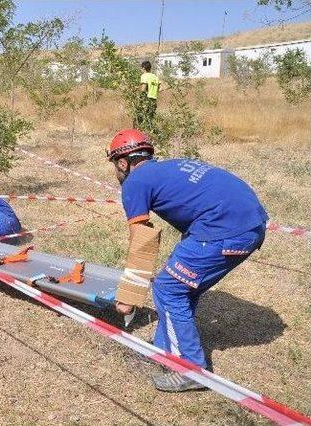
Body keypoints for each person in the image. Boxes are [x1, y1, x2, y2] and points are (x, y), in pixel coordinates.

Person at [106, 128, 268, 392]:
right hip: (252, 224)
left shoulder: (135, 182)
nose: (116, 171)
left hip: (221, 230)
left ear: (123, 162)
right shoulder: (172, 166)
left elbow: (142, 241)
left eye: (116, 165)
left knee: (168, 289)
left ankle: (190, 370)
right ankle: (163, 349)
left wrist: (130, 295)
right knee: (181, 285)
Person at [136, 61, 160, 129]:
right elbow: (160, 88)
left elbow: (143, 89)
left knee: (140, 118)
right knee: (150, 119)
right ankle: (151, 134)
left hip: (146, 100)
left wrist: (138, 95)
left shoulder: (144, 76)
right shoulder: (155, 77)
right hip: (154, 100)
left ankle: (140, 135)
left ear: (143, 68)